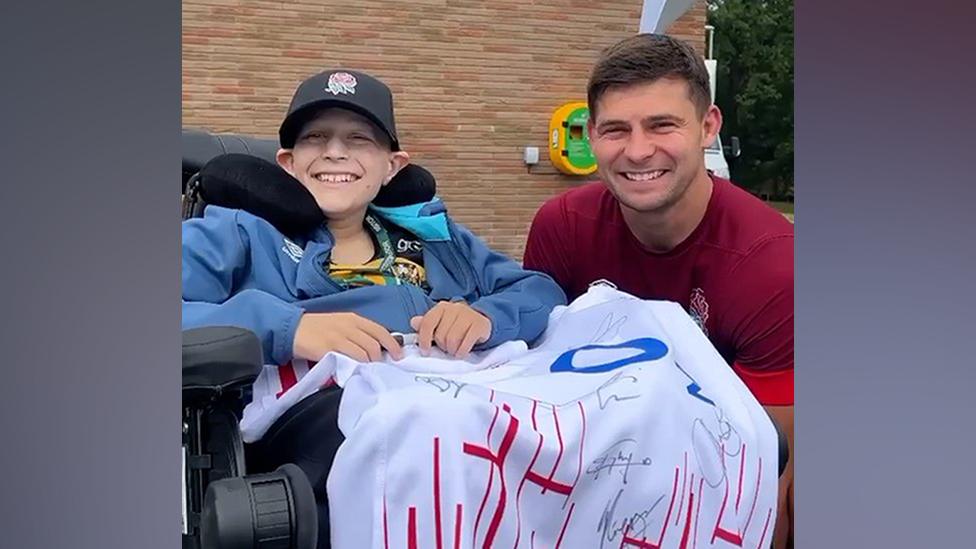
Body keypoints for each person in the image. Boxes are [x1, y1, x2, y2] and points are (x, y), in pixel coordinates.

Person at [182, 68, 566, 548]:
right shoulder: (238, 231)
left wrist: (485, 315)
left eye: (359, 139)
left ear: (393, 165)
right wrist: (288, 327)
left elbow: (540, 292)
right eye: (315, 138)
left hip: (460, 403)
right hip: (320, 424)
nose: (335, 152)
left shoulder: (435, 237)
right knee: (426, 426)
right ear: (287, 162)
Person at [523, 34, 794, 547]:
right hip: (587, 479)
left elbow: (770, 469)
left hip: (715, 489)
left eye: (662, 125)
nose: (638, 150)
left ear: (708, 126)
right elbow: (534, 393)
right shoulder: (562, 224)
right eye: (615, 129)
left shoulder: (772, 263)